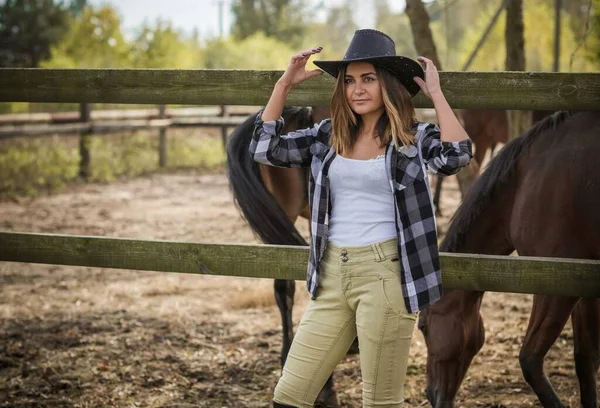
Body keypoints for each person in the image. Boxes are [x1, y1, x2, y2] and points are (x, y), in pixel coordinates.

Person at [249, 29, 472, 408]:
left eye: (368, 79)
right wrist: (283, 85)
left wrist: (436, 95)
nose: (357, 89)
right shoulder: (327, 136)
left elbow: (457, 155)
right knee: (289, 395)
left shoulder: (411, 139)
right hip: (331, 274)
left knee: (380, 402)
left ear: (388, 84)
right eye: (349, 81)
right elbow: (263, 147)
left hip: (386, 276)